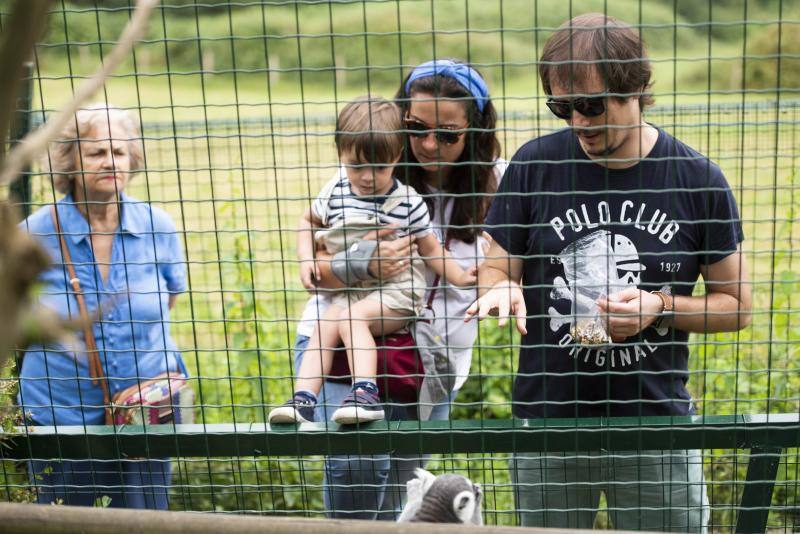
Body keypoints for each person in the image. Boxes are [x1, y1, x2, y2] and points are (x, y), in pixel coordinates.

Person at [466, 13, 752, 532]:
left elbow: (738, 308)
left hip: (655, 426)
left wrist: (660, 307)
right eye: (562, 107)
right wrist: (502, 285)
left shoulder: (697, 179)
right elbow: (493, 269)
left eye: (592, 106)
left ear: (636, 89)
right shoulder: (534, 165)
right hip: (549, 424)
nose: (578, 122)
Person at [290, 59, 505, 518]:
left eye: (448, 134)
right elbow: (316, 268)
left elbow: (509, 272)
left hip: (432, 359)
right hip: (341, 338)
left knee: (408, 489)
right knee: (359, 460)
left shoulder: (499, 185)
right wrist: (359, 261)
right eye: (416, 128)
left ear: (476, 132)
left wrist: (492, 280)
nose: (429, 145)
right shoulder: (370, 170)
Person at [18, 103, 187, 509]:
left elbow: (171, 298)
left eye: (119, 151)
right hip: (60, 413)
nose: (110, 161)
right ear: (69, 161)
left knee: (146, 520)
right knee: (64, 521)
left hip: (146, 413)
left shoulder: (157, 227)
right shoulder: (33, 233)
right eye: (96, 152)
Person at [269, 96, 475, 426]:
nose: (366, 177)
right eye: (356, 166)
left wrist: (462, 277)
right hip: (353, 291)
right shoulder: (336, 189)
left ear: (396, 157)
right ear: (341, 156)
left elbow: (430, 247)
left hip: (398, 293)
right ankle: (303, 399)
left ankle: (365, 393)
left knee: (350, 319)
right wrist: (305, 257)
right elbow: (307, 221)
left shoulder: (407, 201)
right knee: (327, 322)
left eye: (379, 167)